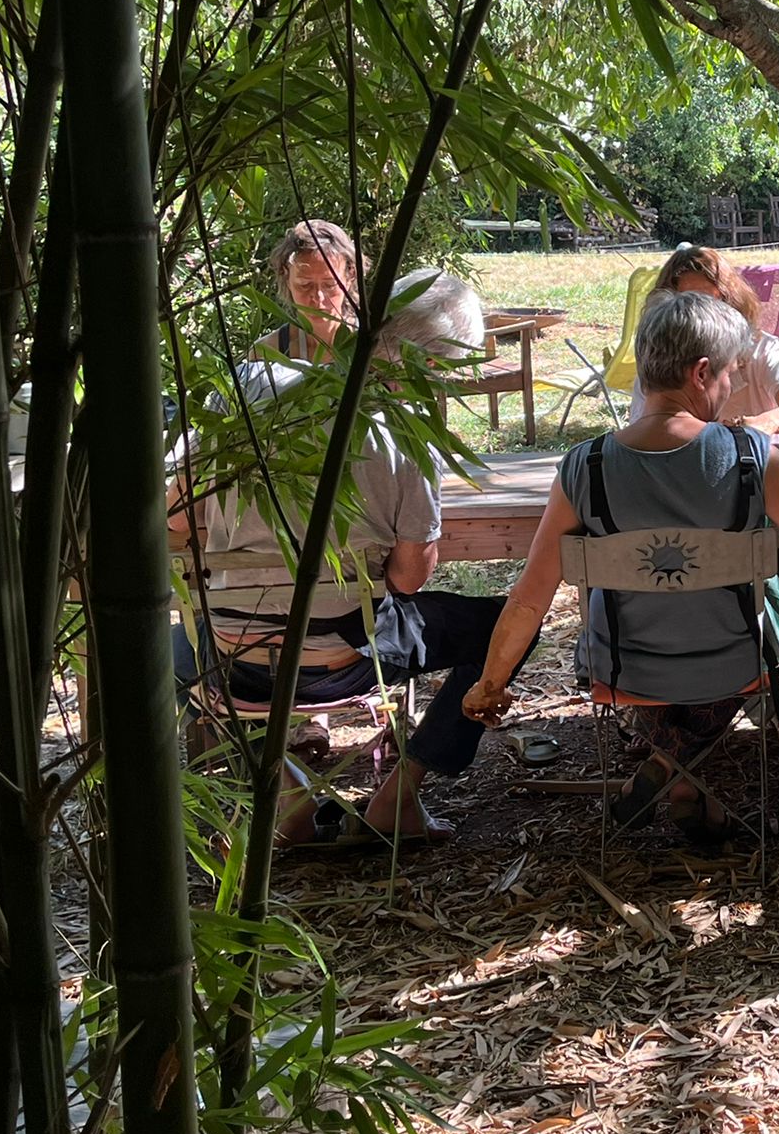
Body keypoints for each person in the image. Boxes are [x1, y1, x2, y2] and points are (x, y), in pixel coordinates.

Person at [459, 291, 779, 831]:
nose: (732, 387)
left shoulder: (584, 467)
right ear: (702, 372)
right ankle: (683, 773)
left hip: (622, 669)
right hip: (733, 666)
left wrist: (491, 684)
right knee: (773, 616)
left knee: (647, 630)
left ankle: (675, 769)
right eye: (731, 374)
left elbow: (529, 598)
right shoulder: (753, 459)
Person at [169, 353, 527, 844]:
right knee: (506, 626)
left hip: (234, 662)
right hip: (351, 660)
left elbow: (172, 520)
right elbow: (406, 581)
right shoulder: (392, 436)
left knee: (167, 652)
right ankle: (398, 797)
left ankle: (288, 797)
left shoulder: (225, 437)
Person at [633, 244, 779, 437]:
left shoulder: (760, 349)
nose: (705, 313)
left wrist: (765, 424)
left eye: (712, 301)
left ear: (731, 303)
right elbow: (643, 431)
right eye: (690, 302)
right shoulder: (659, 364)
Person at [255, 219, 362, 362]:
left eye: (330, 285)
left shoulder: (375, 343)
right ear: (286, 278)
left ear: (350, 277)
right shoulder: (266, 353)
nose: (318, 297)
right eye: (304, 285)